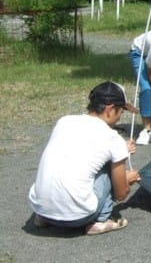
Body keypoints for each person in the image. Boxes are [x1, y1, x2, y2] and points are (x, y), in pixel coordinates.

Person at [28, 81, 141, 235]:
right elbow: (121, 194)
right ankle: (100, 221)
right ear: (110, 109)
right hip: (78, 217)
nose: (119, 118)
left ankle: (43, 218)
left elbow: (81, 150)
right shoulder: (112, 138)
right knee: (110, 169)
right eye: (121, 112)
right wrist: (127, 179)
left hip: (41, 208)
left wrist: (122, 150)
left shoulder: (64, 121)